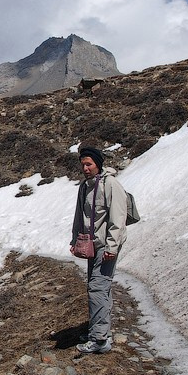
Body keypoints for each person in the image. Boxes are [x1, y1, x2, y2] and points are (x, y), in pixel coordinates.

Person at [70, 146, 128, 354]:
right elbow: (79, 215)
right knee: (99, 288)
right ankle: (100, 331)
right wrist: (75, 239)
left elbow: (118, 219)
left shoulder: (110, 184)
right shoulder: (85, 186)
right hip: (91, 245)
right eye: (83, 165)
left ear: (98, 164)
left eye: (89, 164)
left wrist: (112, 246)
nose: (85, 168)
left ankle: (99, 340)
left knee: (97, 289)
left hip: (106, 245)